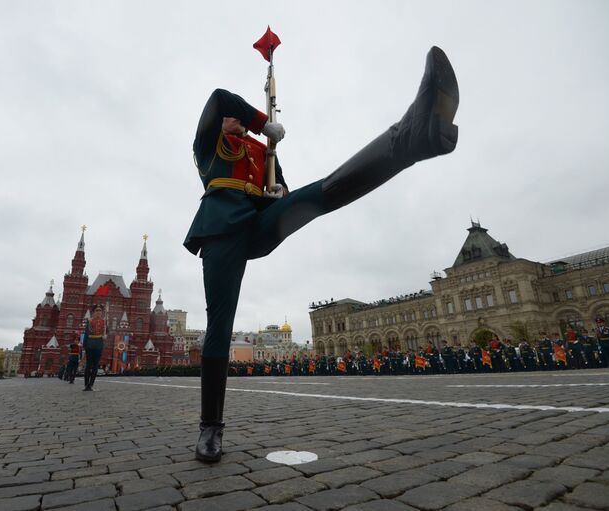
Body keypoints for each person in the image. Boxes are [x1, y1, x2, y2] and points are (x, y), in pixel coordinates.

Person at [184, 47, 459, 462]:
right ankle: (211, 426)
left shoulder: (265, 155)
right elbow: (222, 97)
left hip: (256, 224)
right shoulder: (208, 145)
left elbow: (288, 194)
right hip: (221, 230)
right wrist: (263, 123)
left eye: (244, 121)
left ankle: (410, 139)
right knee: (220, 323)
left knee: (325, 192)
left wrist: (280, 193)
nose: (236, 121)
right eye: (234, 120)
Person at [83, 306, 106, 391]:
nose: (99, 312)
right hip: (90, 344)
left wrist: (106, 335)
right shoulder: (89, 321)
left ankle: (91, 384)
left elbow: (107, 331)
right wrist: (84, 345)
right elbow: (86, 333)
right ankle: (86, 384)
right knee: (88, 365)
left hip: (99, 345)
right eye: (97, 311)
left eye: (100, 311)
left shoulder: (104, 322)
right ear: (94, 312)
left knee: (96, 365)